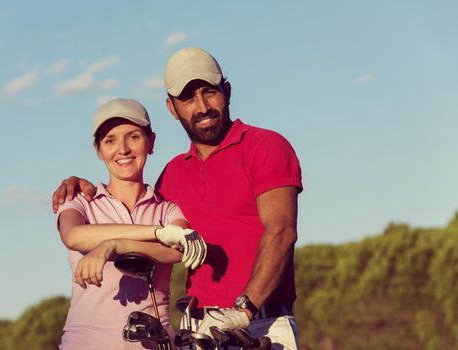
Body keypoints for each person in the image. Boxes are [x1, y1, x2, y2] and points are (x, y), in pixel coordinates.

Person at [53, 48, 303, 349]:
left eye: (209, 92)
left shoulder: (265, 146)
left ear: (227, 91)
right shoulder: (171, 175)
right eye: (187, 98)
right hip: (196, 331)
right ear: (172, 108)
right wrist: (78, 184)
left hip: (259, 323)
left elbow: (281, 231)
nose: (202, 106)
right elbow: (164, 239)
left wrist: (243, 310)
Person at [55, 98, 207, 350]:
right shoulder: (80, 201)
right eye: (110, 140)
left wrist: (115, 245)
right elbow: (73, 235)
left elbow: (179, 249)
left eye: (133, 137)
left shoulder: (167, 209)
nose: (123, 149)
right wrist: (157, 233)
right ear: (99, 150)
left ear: (151, 142)